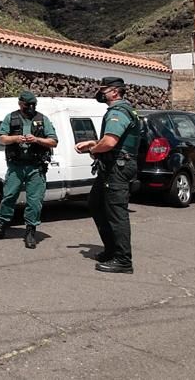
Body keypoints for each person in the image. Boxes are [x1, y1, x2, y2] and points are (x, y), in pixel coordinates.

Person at [75, 77, 140, 274]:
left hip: (117, 169)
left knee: (116, 213)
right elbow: (112, 140)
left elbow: (110, 143)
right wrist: (92, 143)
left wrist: (94, 148)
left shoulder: (118, 112)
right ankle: (112, 250)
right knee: (96, 203)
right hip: (112, 167)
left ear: (114, 92)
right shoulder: (122, 111)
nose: (100, 93)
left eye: (103, 89)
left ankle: (123, 260)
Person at [0, 91, 57, 248]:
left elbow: (53, 141)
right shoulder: (11, 118)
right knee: (9, 196)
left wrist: (37, 139)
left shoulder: (42, 119)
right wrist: (16, 138)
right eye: (27, 105)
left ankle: (31, 231)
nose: (31, 108)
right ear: (20, 104)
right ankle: (1, 227)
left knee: (34, 201)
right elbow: (1, 138)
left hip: (35, 167)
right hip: (16, 166)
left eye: (33, 105)